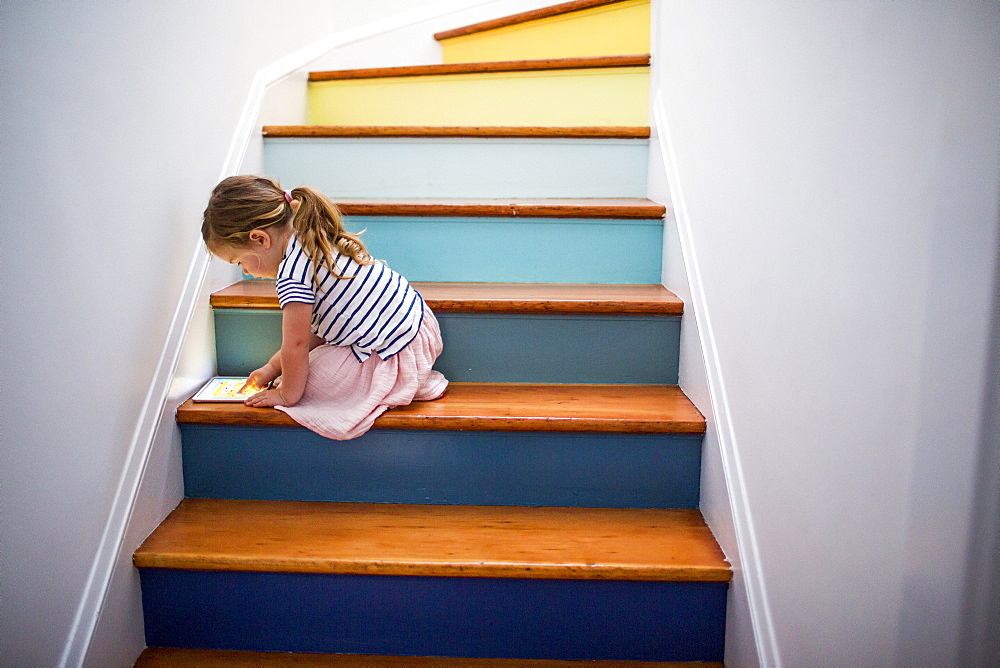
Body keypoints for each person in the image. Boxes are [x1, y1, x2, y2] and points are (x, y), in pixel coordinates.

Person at [201, 175, 448, 440]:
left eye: (239, 262)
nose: (246, 271)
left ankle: (399, 382)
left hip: (393, 349)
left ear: (260, 239)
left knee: (307, 386)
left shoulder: (292, 276)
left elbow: (296, 344)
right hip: (415, 327)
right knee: (299, 370)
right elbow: (320, 329)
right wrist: (272, 368)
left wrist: (287, 395)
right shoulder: (310, 237)